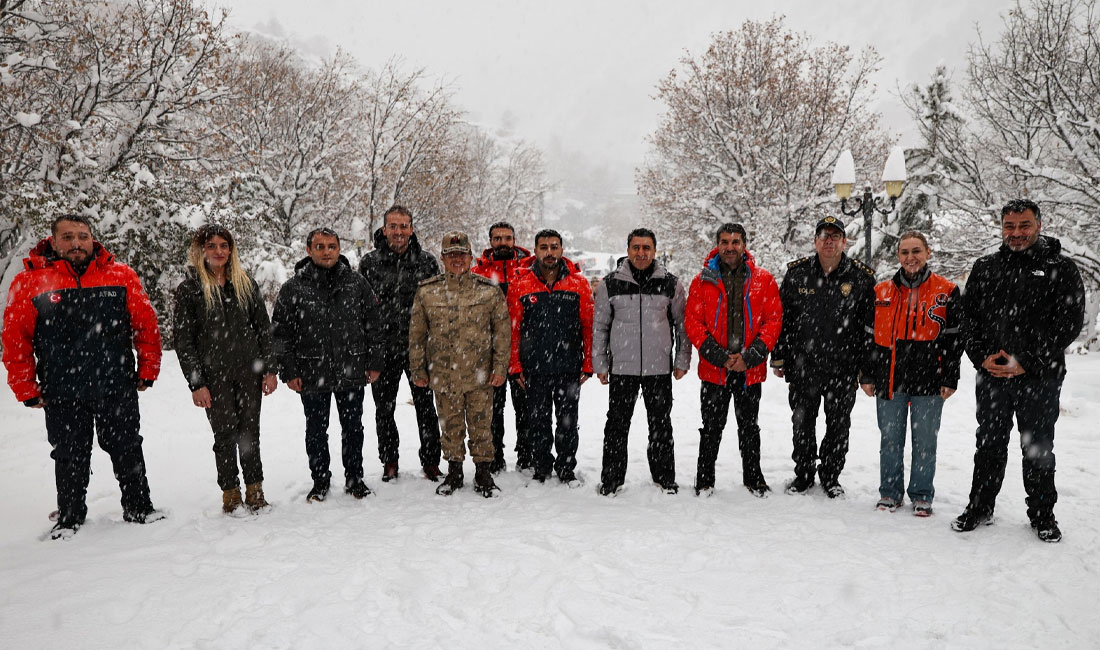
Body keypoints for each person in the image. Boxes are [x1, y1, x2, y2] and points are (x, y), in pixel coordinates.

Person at [3, 215, 163, 539]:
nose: (76, 243)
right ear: (54, 241)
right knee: (69, 454)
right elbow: (15, 339)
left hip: (116, 384)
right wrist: (26, 387)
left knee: (127, 447)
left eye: (82, 236)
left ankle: (139, 507)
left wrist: (148, 368)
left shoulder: (121, 275)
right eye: (68, 237)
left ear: (93, 239)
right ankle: (70, 517)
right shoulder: (31, 282)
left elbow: (146, 326)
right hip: (62, 390)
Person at [952, 199, 1085, 543]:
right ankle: (980, 506)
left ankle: (1042, 514)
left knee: (1038, 447)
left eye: (1024, 225)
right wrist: (982, 356)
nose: (1016, 233)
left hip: (1040, 376)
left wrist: (1026, 359)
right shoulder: (985, 267)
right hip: (993, 374)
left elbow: (1068, 324)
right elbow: (967, 319)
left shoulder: (1061, 268)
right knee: (989, 443)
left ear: (1038, 225)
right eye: (1009, 227)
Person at [173, 224, 279, 515]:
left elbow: (263, 330)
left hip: (249, 372)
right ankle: (230, 493)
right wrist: (196, 383)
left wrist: (270, 369)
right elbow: (184, 341)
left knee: (250, 433)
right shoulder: (190, 290)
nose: (218, 251)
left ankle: (255, 490)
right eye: (212, 246)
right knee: (224, 435)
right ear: (201, 251)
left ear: (230, 250)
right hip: (213, 377)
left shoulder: (245, 283)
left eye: (223, 245)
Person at [272, 227, 383, 503]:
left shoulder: (356, 283)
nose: (326, 251)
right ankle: (320, 481)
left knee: (353, 428)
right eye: (320, 247)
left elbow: (375, 326)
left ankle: (355, 479)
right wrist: (289, 370)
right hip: (311, 372)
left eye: (331, 246)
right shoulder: (293, 288)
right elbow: (280, 334)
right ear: (309, 250)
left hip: (352, 369)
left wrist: (375, 362)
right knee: (316, 430)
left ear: (339, 249)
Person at [771, 216, 875, 498]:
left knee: (838, 426)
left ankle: (831, 475)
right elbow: (783, 320)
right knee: (802, 423)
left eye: (835, 236)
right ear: (815, 241)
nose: (829, 241)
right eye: (823, 236)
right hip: (804, 366)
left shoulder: (861, 278)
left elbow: (869, 329)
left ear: (844, 241)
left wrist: (866, 370)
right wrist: (779, 358)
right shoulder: (797, 274)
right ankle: (803, 474)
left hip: (843, 368)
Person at [860, 231, 963, 517]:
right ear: (898, 256)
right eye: (904, 252)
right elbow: (868, 337)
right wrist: (867, 374)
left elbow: (955, 339)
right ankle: (890, 493)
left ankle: (921, 494)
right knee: (890, 438)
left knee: (925, 441)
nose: (910, 257)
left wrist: (950, 376)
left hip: (929, 375)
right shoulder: (881, 291)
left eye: (916, 251)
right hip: (890, 374)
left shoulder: (946, 290)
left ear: (928, 253)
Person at [409, 231, 511, 497]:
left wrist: (500, 368)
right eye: (451, 255)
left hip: (480, 374)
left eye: (462, 254)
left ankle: (483, 473)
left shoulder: (488, 291)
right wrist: (418, 369)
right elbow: (417, 335)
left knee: (481, 426)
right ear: (443, 258)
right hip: (444, 374)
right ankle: (454, 472)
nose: (457, 259)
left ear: (470, 257)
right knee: (450, 426)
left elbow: (502, 332)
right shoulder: (427, 292)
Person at [685, 223, 782, 498]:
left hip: (748, 370)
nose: (730, 247)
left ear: (744, 244)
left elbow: (773, 321)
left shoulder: (763, 279)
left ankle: (754, 477)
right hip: (714, 369)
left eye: (735, 241)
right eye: (725, 242)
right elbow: (693, 322)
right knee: (711, 427)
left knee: (749, 427)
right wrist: (719, 356)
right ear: (718, 245)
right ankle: (704, 479)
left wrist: (750, 357)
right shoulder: (702, 280)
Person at [593, 227, 691, 496]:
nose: (641, 252)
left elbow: (682, 326)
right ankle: (611, 479)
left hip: (657, 368)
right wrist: (600, 364)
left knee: (661, 425)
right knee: (616, 425)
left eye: (646, 248)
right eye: (636, 247)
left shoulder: (671, 284)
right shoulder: (610, 284)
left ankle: (664, 477)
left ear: (654, 251)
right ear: (627, 250)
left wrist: (682, 359)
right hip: (622, 368)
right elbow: (600, 327)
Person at [359, 205, 443, 482]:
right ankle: (390, 460)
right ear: (384, 230)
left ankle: (431, 461)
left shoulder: (427, 262)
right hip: (382, 348)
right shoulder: (369, 263)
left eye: (403, 226)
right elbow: (363, 310)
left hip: (419, 348)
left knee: (426, 407)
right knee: (384, 409)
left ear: (412, 229)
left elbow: (437, 306)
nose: (398, 232)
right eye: (393, 226)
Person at [507, 229, 594, 487]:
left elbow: (588, 327)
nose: (549, 252)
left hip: (569, 367)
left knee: (568, 423)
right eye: (543, 247)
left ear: (562, 250)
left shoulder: (578, 284)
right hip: (535, 368)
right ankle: (542, 467)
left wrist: (588, 363)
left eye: (554, 247)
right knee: (538, 422)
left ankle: (566, 468)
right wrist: (515, 365)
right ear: (535, 251)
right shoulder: (521, 284)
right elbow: (513, 329)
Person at [471, 221, 532, 473]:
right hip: (489, 350)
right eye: (497, 239)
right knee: (493, 408)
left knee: (525, 405)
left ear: (514, 239)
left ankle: (526, 454)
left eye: (507, 238)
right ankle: (495, 455)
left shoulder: (528, 270)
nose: (503, 243)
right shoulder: (479, 272)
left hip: (523, 348)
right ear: (490, 242)